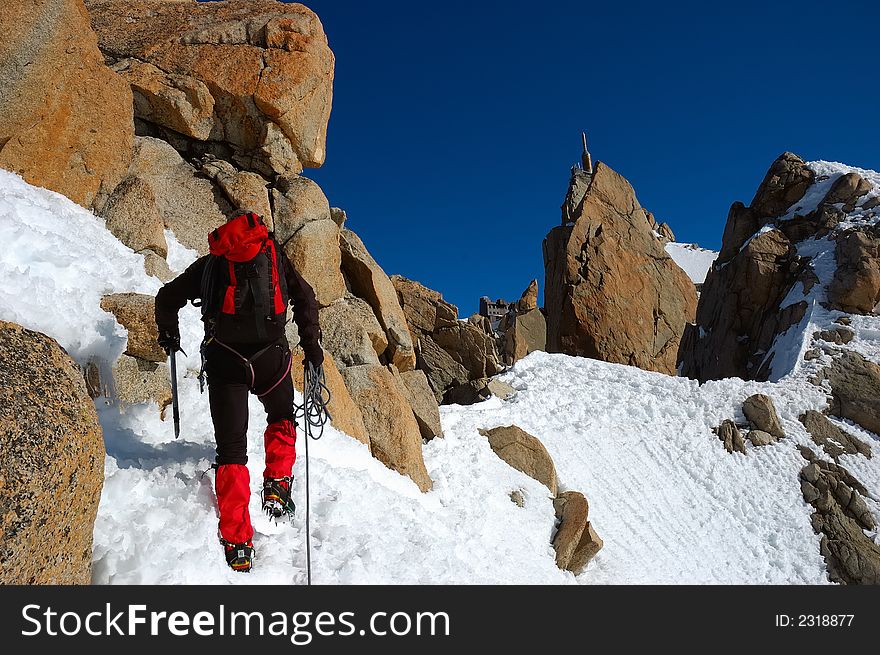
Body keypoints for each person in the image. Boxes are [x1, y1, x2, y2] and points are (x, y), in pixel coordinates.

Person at [154, 210, 323, 573]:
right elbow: (305, 299)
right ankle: (278, 480)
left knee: (231, 449)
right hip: (271, 359)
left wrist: (169, 335)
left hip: (226, 360)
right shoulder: (273, 254)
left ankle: (238, 540)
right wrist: (313, 350)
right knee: (280, 415)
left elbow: (167, 298)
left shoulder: (211, 265)